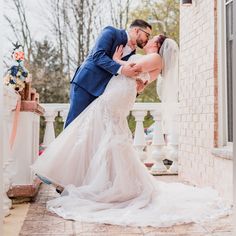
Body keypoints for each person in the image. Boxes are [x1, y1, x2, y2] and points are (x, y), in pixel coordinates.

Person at [31, 35, 231, 227]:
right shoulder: (156, 62)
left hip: (117, 94)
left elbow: (132, 68)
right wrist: (133, 75)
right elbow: (141, 84)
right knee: (109, 134)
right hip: (124, 93)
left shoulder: (155, 56)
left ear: (158, 44)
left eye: (153, 38)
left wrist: (117, 60)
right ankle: (104, 181)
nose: (149, 39)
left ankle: (101, 183)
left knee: (101, 128)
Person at [64, 19, 152, 128]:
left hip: (104, 95)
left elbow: (127, 78)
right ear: (137, 30)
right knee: (73, 125)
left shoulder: (133, 54)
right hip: (86, 84)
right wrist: (121, 69)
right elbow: (98, 56)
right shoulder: (111, 32)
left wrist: (137, 88)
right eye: (147, 35)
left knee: (91, 130)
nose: (147, 40)